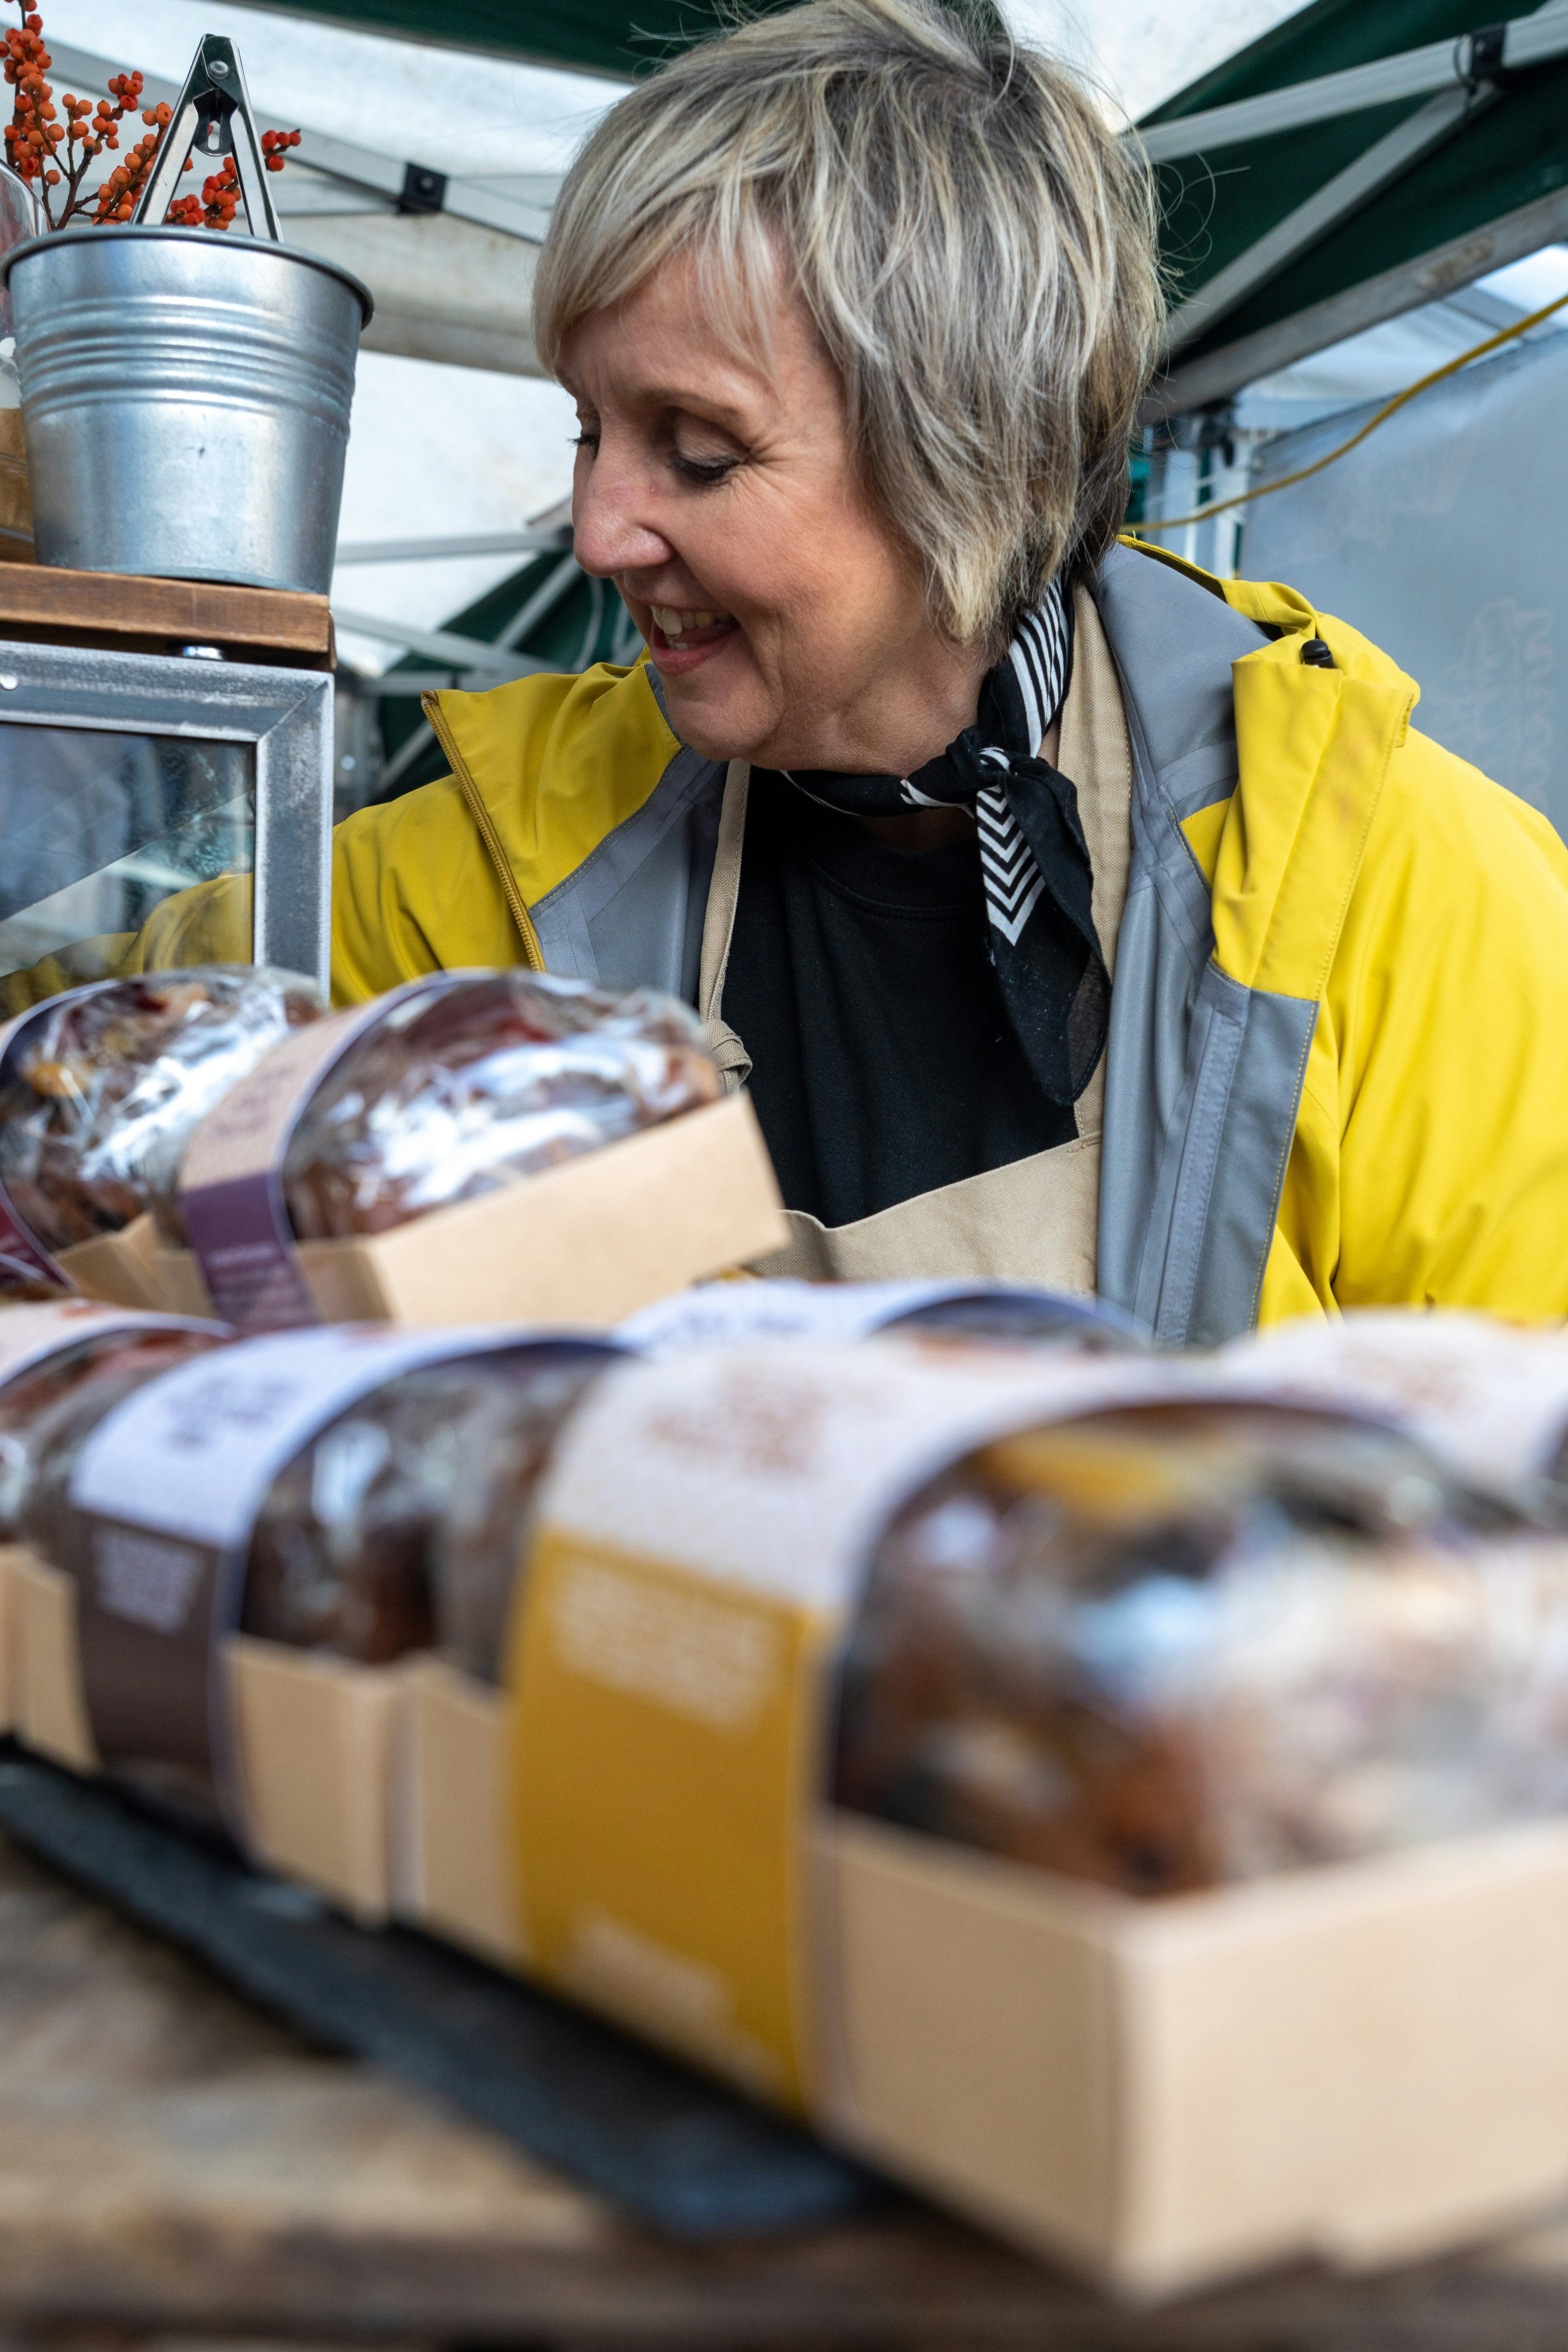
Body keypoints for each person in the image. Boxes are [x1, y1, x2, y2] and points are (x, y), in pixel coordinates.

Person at [18, 0, 1568, 1340]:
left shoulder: (1403, 899)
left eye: (696, 454)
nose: (597, 527)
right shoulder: (490, 863)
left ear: (973, 462)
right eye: (588, 431)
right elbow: (75, 1064)